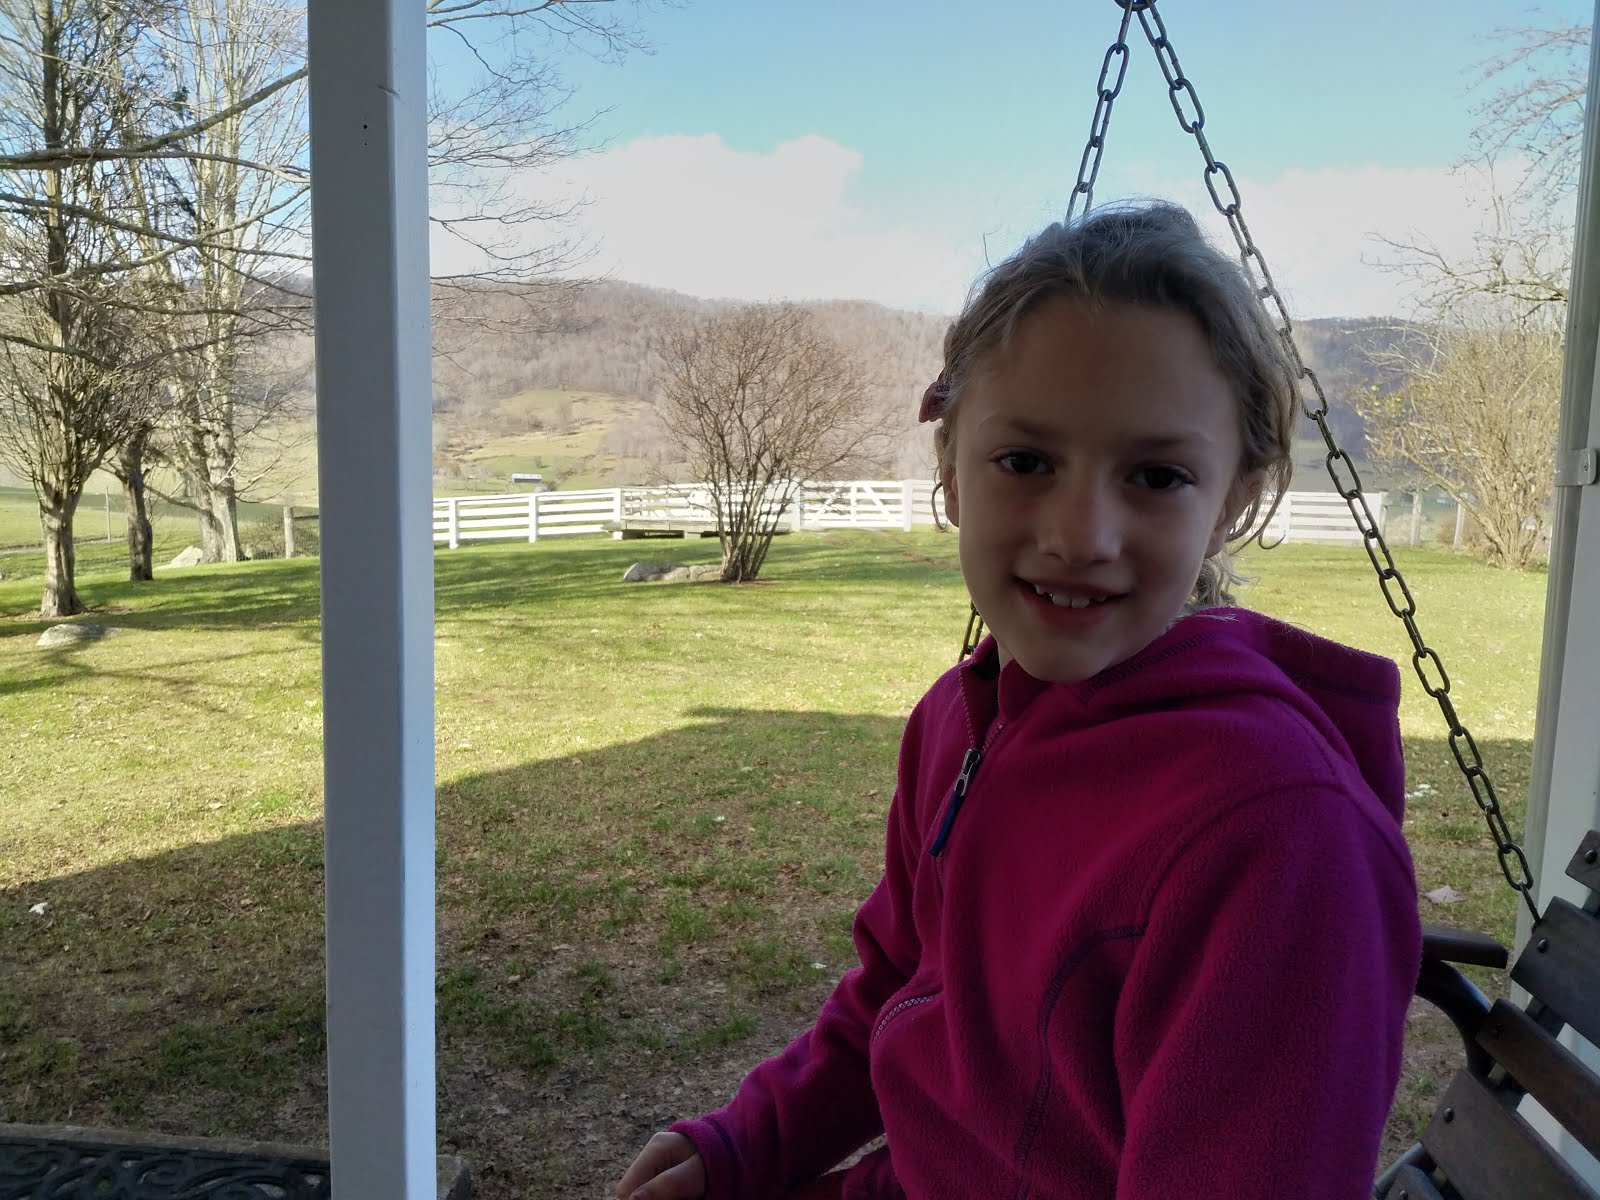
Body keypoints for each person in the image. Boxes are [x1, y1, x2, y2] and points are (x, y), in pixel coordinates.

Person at [616, 201, 1422, 1200]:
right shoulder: (960, 720)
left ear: (1234, 502)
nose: (1079, 535)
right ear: (950, 470)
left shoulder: (1279, 840)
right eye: (1026, 462)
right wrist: (746, 1143)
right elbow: (901, 988)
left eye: (1156, 475)